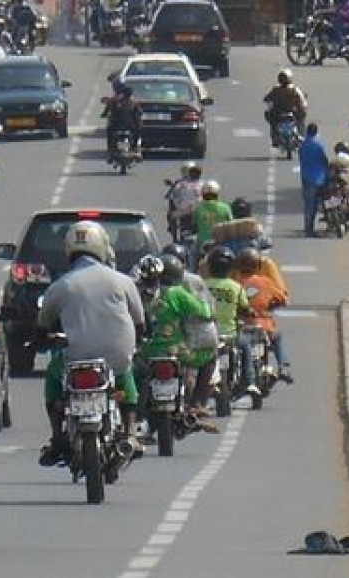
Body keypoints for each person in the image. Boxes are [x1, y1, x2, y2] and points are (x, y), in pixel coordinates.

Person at [37, 220, 147, 466]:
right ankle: (131, 432)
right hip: (117, 356)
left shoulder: (62, 285)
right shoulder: (122, 281)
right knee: (125, 375)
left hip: (76, 358)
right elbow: (140, 322)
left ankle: (57, 436)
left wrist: (40, 338)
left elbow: (43, 324)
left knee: (54, 376)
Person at [138, 253, 218, 432]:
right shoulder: (177, 293)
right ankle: (196, 403)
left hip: (146, 352)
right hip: (176, 351)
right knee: (210, 358)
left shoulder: (139, 293)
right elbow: (204, 312)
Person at [203, 246, 261, 397]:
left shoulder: (202, 286)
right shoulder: (236, 287)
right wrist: (250, 312)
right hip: (230, 335)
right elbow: (246, 308)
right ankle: (250, 381)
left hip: (206, 335)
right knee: (246, 346)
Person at [236, 247, 292, 384]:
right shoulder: (265, 282)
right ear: (258, 266)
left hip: (241, 326)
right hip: (265, 327)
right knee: (277, 337)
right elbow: (283, 299)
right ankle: (283, 366)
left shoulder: (234, 284)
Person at [298, 122, 329, 238]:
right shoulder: (318, 145)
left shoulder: (303, 145)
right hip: (317, 178)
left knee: (308, 204)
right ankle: (309, 230)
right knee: (313, 205)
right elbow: (324, 159)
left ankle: (308, 228)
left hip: (305, 177)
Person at [262, 69, 307, 145]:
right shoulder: (294, 89)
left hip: (282, 113)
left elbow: (266, 99)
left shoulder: (276, 89)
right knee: (301, 121)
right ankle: (300, 136)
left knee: (273, 121)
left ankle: (275, 137)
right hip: (289, 113)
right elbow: (302, 101)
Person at [192, 180, 233, 249]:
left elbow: (194, 225)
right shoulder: (225, 207)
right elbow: (231, 224)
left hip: (203, 244)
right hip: (223, 243)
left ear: (203, 194)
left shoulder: (198, 209)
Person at [169, 163, 203, 235]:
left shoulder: (180, 183)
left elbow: (173, 197)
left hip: (185, 210)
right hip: (199, 210)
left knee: (171, 215)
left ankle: (174, 234)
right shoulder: (203, 184)